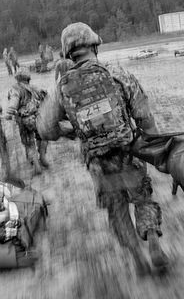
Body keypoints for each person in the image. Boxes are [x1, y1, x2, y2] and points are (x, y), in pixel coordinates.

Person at [37, 22, 170, 275]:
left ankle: (136, 258)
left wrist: (69, 132)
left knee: (116, 210)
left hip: (98, 164)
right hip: (128, 154)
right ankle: (152, 239)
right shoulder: (117, 73)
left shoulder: (61, 87)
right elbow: (144, 116)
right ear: (94, 44)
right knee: (142, 198)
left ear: (68, 52)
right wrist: (155, 149)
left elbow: (44, 129)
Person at [6, 71, 49, 173]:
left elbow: (13, 102)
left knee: (29, 142)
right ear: (28, 78)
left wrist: (9, 113)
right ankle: (42, 155)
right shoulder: (33, 87)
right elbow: (45, 94)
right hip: (37, 117)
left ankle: (35, 161)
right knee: (42, 137)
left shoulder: (15, 89)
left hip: (24, 120)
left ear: (17, 79)